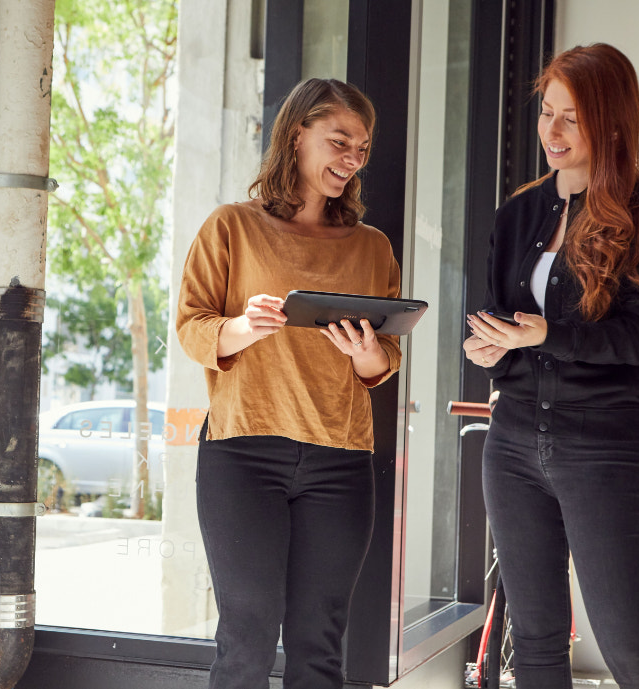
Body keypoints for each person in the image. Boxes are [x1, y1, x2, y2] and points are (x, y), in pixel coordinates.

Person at [464, 43, 639, 689]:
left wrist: (547, 333)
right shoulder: (517, 211)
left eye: (571, 117)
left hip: (605, 448)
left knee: (631, 650)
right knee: (532, 643)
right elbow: (497, 313)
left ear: (610, 124)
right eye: (545, 112)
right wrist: (490, 347)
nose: (550, 131)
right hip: (512, 442)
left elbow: (637, 340)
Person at [176, 78, 402, 689]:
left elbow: (384, 360)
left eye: (362, 147)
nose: (352, 159)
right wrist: (242, 328)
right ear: (297, 135)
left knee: (319, 645)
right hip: (243, 453)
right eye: (339, 141)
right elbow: (192, 328)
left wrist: (366, 354)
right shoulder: (231, 226)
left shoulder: (372, 247)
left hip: (340, 459)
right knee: (247, 640)